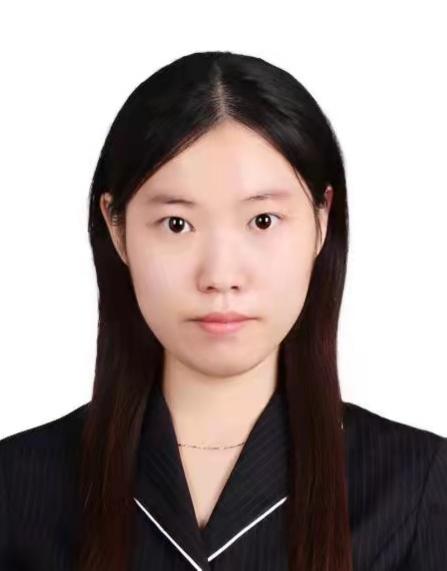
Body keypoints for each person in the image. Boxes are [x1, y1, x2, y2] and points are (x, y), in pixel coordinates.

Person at [0, 50, 446, 571]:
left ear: (322, 220)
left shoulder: (417, 485)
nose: (220, 275)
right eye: (176, 224)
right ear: (116, 227)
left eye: (263, 221)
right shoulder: (17, 486)